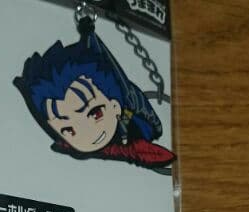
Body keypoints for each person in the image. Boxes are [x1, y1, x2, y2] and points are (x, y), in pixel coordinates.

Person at [14, 21, 175, 168]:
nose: (87, 132)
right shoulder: (66, 145)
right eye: (69, 130)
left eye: (95, 113)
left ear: (114, 106)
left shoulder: (131, 122)